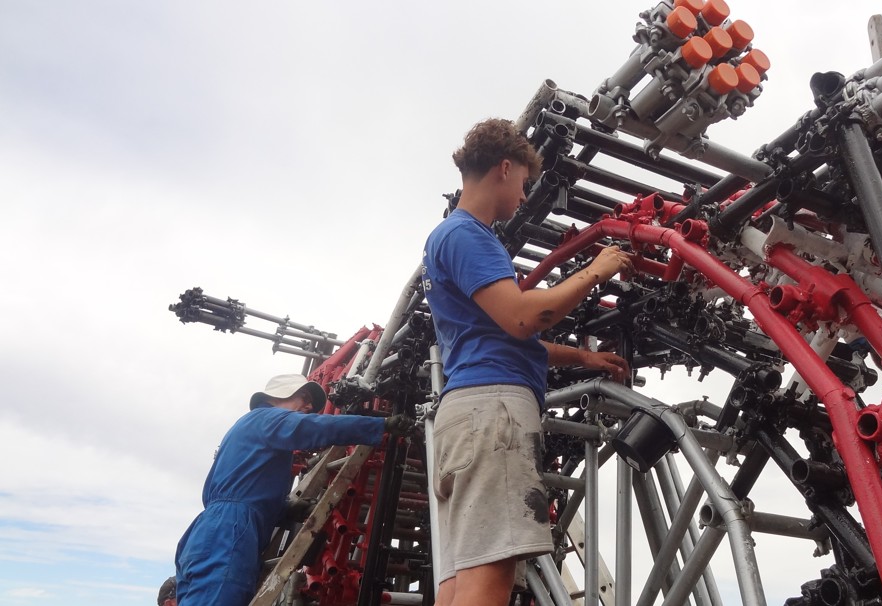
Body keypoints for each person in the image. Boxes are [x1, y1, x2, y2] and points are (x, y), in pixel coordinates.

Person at [422, 118, 633, 606]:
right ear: (504, 168)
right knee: (488, 580)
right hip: (492, 415)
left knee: (458, 583)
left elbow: (502, 334)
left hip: (466, 416)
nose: (523, 195)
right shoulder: (468, 235)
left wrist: (581, 356)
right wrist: (595, 271)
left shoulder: (448, 238)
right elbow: (522, 318)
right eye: (523, 181)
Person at [174, 373, 410, 606]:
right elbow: (313, 428)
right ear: (277, 397)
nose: (309, 407)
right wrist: (381, 425)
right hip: (230, 528)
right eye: (304, 397)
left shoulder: (251, 429)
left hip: (216, 529)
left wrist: (284, 510)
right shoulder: (266, 418)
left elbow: (247, 488)